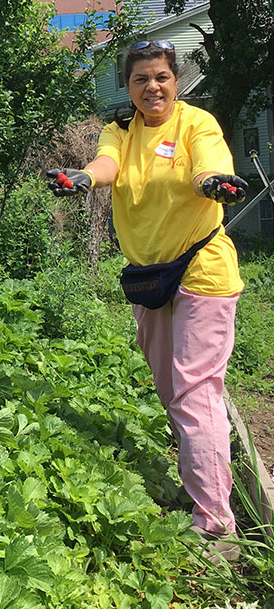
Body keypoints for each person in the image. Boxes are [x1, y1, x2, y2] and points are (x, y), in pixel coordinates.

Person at [46, 39, 249, 563]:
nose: (152, 87)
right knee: (172, 387)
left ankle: (216, 525)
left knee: (194, 389)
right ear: (128, 87)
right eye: (141, 79)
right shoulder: (119, 130)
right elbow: (106, 164)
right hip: (151, 277)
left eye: (160, 76)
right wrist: (83, 179)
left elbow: (208, 166)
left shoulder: (196, 125)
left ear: (174, 80)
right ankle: (204, 478)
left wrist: (213, 184)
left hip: (202, 270)